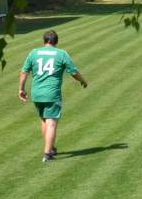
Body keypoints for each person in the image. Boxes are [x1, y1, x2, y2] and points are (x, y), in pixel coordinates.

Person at [18, 29, 89, 162]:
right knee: (51, 123)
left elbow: (24, 71)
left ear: (43, 41)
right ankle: (47, 154)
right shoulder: (61, 53)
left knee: (44, 120)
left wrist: (21, 89)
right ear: (56, 41)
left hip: (36, 92)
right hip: (51, 93)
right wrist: (83, 81)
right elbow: (73, 72)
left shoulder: (34, 52)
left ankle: (50, 148)